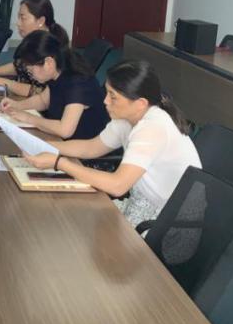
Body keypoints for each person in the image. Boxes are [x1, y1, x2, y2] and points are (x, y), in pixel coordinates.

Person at [23, 60, 201, 226]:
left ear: (140, 103)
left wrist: (59, 163)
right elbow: (91, 147)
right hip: (144, 202)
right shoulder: (127, 117)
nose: (105, 101)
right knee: (75, 218)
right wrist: (39, 144)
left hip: (170, 221)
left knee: (79, 224)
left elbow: (117, 185)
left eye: (113, 96)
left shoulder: (152, 128)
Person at [0, 30, 110, 140]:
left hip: (84, 146)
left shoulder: (77, 83)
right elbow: (43, 101)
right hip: (63, 140)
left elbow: (65, 130)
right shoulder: (57, 70)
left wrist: (29, 118)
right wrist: (17, 105)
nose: (30, 75)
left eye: (31, 71)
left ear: (48, 62)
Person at [0, 0, 70, 94]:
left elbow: (40, 91)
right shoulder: (34, 41)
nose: (18, 23)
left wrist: (2, 82)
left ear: (40, 21)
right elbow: (19, 66)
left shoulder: (49, 48)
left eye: (23, 18)